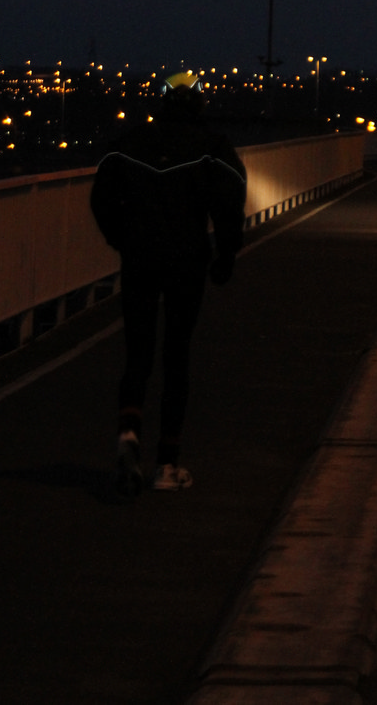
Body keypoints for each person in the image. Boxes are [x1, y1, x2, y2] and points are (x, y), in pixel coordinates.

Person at [90, 71, 246, 495]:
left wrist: (121, 238)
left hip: (139, 258)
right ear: (198, 101)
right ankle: (167, 465)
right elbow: (230, 203)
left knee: (137, 353)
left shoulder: (129, 143)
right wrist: (226, 256)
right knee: (177, 356)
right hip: (186, 261)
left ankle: (128, 436)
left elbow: (101, 197)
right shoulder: (213, 148)